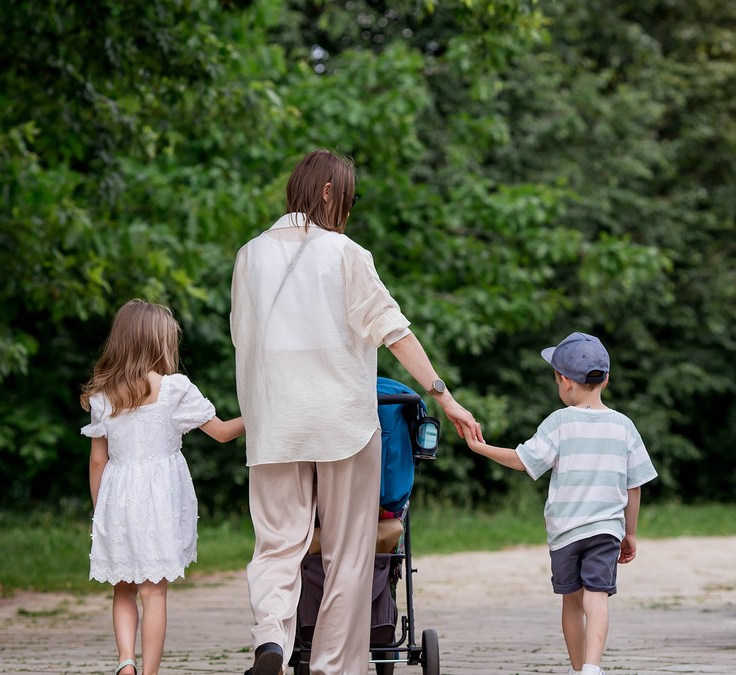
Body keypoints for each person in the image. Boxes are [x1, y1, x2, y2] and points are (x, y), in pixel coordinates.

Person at [230, 148, 482, 675]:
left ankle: (271, 643)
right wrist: (443, 395)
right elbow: (393, 331)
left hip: (275, 422)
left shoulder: (249, 255)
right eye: (347, 196)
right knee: (347, 553)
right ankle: (330, 669)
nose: (348, 207)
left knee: (277, 545)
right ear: (327, 192)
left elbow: (244, 341)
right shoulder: (345, 253)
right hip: (341, 421)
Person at [465, 332, 657, 675]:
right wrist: (630, 533)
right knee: (597, 597)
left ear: (565, 382)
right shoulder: (624, 427)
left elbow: (524, 461)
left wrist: (481, 448)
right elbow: (635, 486)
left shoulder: (558, 422)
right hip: (605, 531)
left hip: (565, 532)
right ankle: (592, 668)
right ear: (606, 379)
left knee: (572, 601)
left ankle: (576, 668)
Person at [79, 299, 245, 675]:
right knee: (153, 592)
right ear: (159, 344)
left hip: (117, 495)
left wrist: (100, 509)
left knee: (122, 587)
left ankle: (125, 663)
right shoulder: (174, 389)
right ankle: (149, 673)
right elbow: (220, 433)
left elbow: (96, 461)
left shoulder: (103, 396)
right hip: (159, 500)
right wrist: (258, 416)